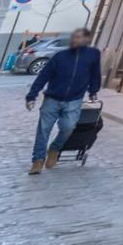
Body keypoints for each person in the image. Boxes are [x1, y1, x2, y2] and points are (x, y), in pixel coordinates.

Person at [24, 27, 100, 174]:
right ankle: (38, 160)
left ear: (86, 40)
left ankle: (54, 149)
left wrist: (93, 91)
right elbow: (43, 76)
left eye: (78, 37)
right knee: (43, 131)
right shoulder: (60, 56)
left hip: (74, 100)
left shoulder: (93, 55)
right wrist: (31, 96)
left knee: (68, 128)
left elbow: (95, 74)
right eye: (74, 37)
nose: (75, 40)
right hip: (52, 99)